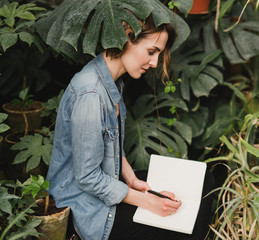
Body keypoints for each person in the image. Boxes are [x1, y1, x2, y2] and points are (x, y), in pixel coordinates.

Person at [46, 13, 214, 240]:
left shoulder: (111, 79)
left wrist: (132, 180)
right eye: (152, 52)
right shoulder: (91, 94)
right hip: (87, 208)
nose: (155, 63)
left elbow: (109, 141)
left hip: (109, 184)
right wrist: (148, 201)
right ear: (126, 38)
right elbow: (87, 178)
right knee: (181, 227)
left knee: (203, 182)